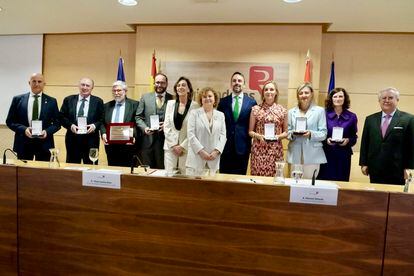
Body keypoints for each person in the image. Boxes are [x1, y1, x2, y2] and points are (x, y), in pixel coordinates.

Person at [359, 87, 414, 185]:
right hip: (375, 167)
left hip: (398, 168)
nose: (387, 100)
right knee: (377, 197)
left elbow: (411, 145)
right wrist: (363, 163)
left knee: (396, 198)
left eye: (390, 98)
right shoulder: (370, 119)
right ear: (379, 101)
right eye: (384, 98)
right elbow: (365, 142)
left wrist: (409, 167)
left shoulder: (408, 119)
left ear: (397, 100)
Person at [6, 73, 61, 161]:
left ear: (44, 84)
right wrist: (24, 129)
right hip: (23, 143)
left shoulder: (52, 101)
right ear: (29, 83)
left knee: (42, 173)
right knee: (24, 173)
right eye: (34, 81)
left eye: (39, 81)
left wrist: (47, 132)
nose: (36, 84)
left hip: (44, 144)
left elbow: (57, 123)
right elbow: (10, 121)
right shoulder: (18, 99)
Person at [217, 72, 257, 175]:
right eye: (234, 81)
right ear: (231, 84)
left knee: (240, 181)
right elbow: (218, 126)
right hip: (225, 148)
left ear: (244, 84)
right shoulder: (223, 102)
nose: (237, 83)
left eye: (239, 81)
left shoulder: (252, 103)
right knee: (223, 180)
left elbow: (254, 126)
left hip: (242, 148)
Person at [59, 77, 104, 164]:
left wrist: (94, 126)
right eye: (82, 85)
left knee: (92, 166)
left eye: (88, 85)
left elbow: (102, 119)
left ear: (92, 88)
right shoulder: (68, 100)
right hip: (72, 139)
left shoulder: (98, 101)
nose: (85, 87)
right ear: (79, 86)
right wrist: (70, 125)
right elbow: (61, 117)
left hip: (91, 140)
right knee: (72, 168)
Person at [287, 83, 327, 178]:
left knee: (310, 185)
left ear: (312, 94)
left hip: (313, 154)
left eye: (306, 92)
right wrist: (292, 134)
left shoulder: (319, 111)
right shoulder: (291, 112)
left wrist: (310, 134)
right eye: (301, 93)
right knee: (294, 184)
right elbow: (287, 132)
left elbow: (323, 133)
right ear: (298, 95)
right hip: (295, 153)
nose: (304, 95)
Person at [248, 81, 288, 177]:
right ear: (263, 93)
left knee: (275, 181)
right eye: (266, 89)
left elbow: (286, 132)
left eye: (271, 89)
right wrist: (258, 136)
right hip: (258, 151)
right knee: (257, 180)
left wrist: (278, 137)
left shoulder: (283, 110)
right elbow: (250, 131)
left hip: (275, 151)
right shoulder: (255, 109)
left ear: (276, 92)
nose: (269, 92)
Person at [318, 88, 358, 181]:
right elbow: (320, 133)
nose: (338, 99)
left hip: (343, 155)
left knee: (341, 182)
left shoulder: (352, 116)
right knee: (325, 181)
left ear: (345, 99)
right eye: (335, 96)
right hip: (327, 153)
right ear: (331, 99)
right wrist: (326, 140)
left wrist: (348, 141)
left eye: (340, 96)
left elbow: (354, 137)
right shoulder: (324, 114)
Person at [135, 73, 173, 169]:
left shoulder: (173, 98)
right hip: (148, 142)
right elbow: (138, 117)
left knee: (164, 171)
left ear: (167, 84)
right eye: (157, 82)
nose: (159, 85)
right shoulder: (145, 97)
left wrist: (167, 125)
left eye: (162, 83)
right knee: (147, 172)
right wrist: (145, 128)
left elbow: (177, 120)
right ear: (154, 83)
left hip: (167, 142)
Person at [186, 87, 226, 176]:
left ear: (215, 99)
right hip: (197, 158)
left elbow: (223, 136)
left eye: (210, 96)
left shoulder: (221, 115)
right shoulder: (194, 113)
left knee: (211, 188)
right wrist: (201, 151)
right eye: (204, 96)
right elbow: (190, 135)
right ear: (201, 100)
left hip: (213, 159)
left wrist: (216, 151)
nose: (207, 98)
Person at [163, 76, 199, 173]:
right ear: (176, 89)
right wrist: (174, 145)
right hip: (170, 148)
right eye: (178, 85)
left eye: (183, 85)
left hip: (187, 149)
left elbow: (195, 130)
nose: (180, 87)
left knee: (185, 179)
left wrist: (182, 146)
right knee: (169, 178)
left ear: (188, 89)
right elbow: (166, 127)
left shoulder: (195, 106)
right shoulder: (170, 104)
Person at [100, 81, 139, 167]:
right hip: (111, 146)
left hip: (128, 146)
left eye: (119, 90)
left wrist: (133, 135)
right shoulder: (106, 106)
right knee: (112, 171)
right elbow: (102, 122)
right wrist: (103, 133)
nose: (116, 93)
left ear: (125, 91)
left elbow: (137, 123)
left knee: (128, 173)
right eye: (114, 91)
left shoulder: (135, 105)